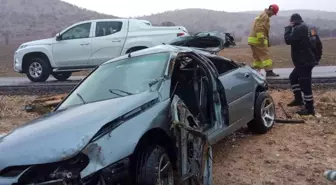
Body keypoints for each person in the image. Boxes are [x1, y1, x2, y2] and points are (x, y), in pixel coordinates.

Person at [284, 13, 323, 116]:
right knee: (293, 77)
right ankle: (298, 99)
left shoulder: (299, 29)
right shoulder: (311, 28)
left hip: (303, 62)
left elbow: (288, 40)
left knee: (305, 85)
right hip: (308, 61)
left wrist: (288, 28)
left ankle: (309, 109)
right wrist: (317, 57)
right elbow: (318, 43)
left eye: (290, 22)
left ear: (293, 21)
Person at [248, 4, 280, 77]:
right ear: (271, 9)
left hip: (253, 40)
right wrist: (261, 39)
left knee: (258, 58)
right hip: (258, 40)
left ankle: (256, 73)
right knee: (265, 56)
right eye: (273, 13)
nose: (273, 15)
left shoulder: (262, 14)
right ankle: (269, 72)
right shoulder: (265, 16)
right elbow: (259, 28)